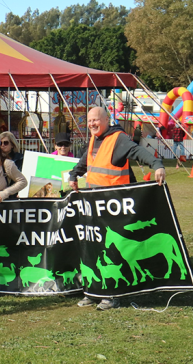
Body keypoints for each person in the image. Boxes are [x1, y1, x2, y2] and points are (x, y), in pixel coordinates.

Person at [68, 106, 165, 311]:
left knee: (112, 253)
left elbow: (138, 152)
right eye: (90, 120)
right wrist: (73, 175)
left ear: (107, 120)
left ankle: (112, 294)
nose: (92, 124)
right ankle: (93, 291)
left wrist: (157, 165)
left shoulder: (118, 139)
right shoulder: (95, 139)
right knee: (94, 249)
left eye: (96, 120)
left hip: (114, 208)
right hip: (93, 208)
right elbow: (86, 161)